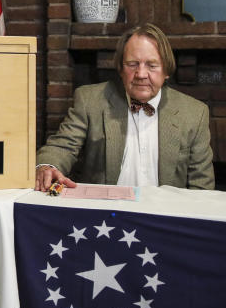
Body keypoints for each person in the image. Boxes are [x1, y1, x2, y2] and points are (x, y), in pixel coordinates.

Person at [35, 23, 213, 192]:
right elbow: (62, 146)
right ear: (120, 68)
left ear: (166, 71)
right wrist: (46, 166)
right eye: (132, 64)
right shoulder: (90, 100)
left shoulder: (194, 113)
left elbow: (202, 187)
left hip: (165, 217)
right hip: (105, 216)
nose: (141, 74)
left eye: (151, 65)